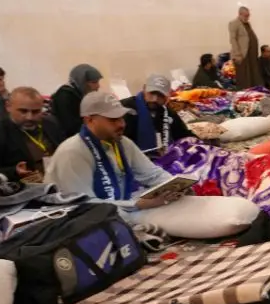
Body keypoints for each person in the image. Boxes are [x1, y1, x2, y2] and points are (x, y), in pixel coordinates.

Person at [45, 92, 180, 221]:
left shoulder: (123, 143)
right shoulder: (72, 152)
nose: (122, 124)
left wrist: (177, 185)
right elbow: (85, 207)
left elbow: (152, 175)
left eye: (121, 118)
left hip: (118, 210)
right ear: (89, 120)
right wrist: (137, 205)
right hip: (82, 222)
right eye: (113, 119)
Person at [0, 87, 65, 180]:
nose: (29, 117)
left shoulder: (51, 123)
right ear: (8, 106)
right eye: (23, 111)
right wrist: (13, 172)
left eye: (36, 112)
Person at [121, 74, 191, 153]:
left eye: (160, 95)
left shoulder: (168, 112)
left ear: (167, 96)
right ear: (144, 89)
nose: (155, 99)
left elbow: (183, 135)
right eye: (152, 93)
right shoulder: (125, 109)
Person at [51, 63, 102, 138]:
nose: (98, 86)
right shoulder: (65, 96)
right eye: (94, 82)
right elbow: (71, 128)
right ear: (82, 82)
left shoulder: (80, 95)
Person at [228, 6, 263, 89]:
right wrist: (238, 54)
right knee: (244, 78)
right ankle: (245, 94)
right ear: (240, 14)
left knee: (253, 76)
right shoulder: (234, 23)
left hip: (251, 55)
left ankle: (254, 93)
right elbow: (233, 39)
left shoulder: (247, 24)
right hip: (242, 55)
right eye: (246, 15)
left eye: (248, 15)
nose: (248, 17)